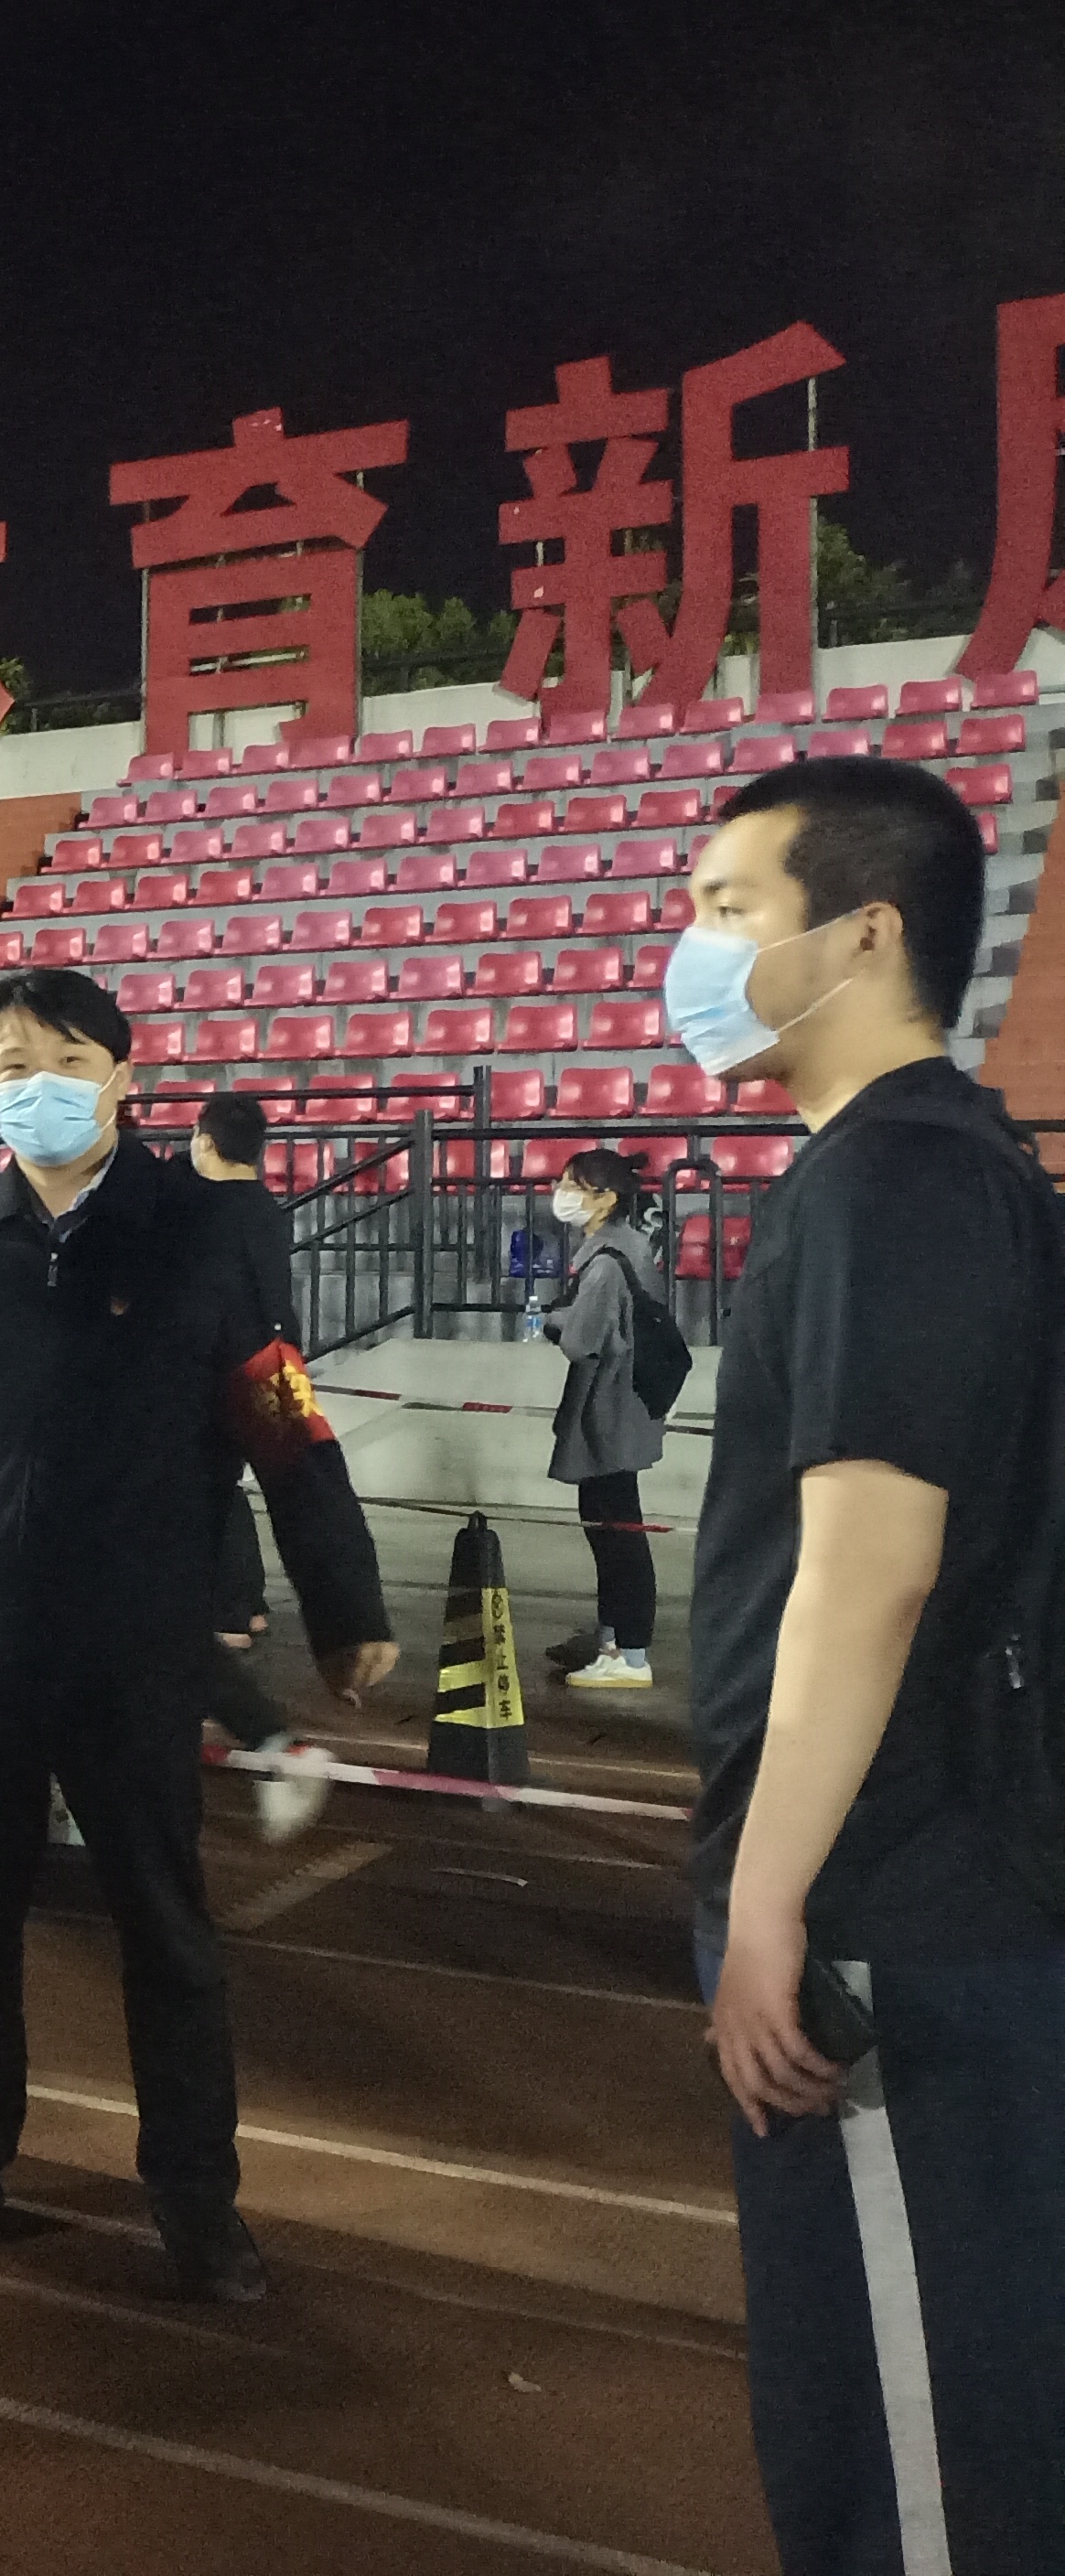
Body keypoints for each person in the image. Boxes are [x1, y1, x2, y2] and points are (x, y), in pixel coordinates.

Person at [662, 758, 1065, 2570]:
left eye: (726, 908)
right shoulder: (934, 1168)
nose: (691, 951)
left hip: (886, 1899)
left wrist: (769, 1901)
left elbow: (868, 1573)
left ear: (863, 933)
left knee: (908, 2441)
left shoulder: (890, 1183)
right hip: (927, 1874)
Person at [0, 970, 396, 2300]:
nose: (34, 1085)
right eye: (7, 1065)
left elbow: (279, 1408)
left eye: (64, 1058)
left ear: (122, 1079)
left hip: (135, 1641)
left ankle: (195, 2197)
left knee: (164, 1924)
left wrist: (344, 1601)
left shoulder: (201, 1232)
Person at [184, 1092, 335, 1845]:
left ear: (205, 1142)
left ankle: (276, 1742)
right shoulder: (265, 1212)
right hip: (259, 1387)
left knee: (142, 1613)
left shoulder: (202, 1215)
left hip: (203, 1408)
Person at [534, 1149, 668, 1694]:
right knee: (609, 1525)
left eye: (574, 1185)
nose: (562, 1194)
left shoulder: (608, 1263)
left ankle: (631, 1655)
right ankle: (612, 1638)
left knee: (617, 1532)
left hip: (610, 1406)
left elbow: (580, 1340)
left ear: (606, 1198)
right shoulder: (625, 1248)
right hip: (624, 1403)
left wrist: (551, 1320)